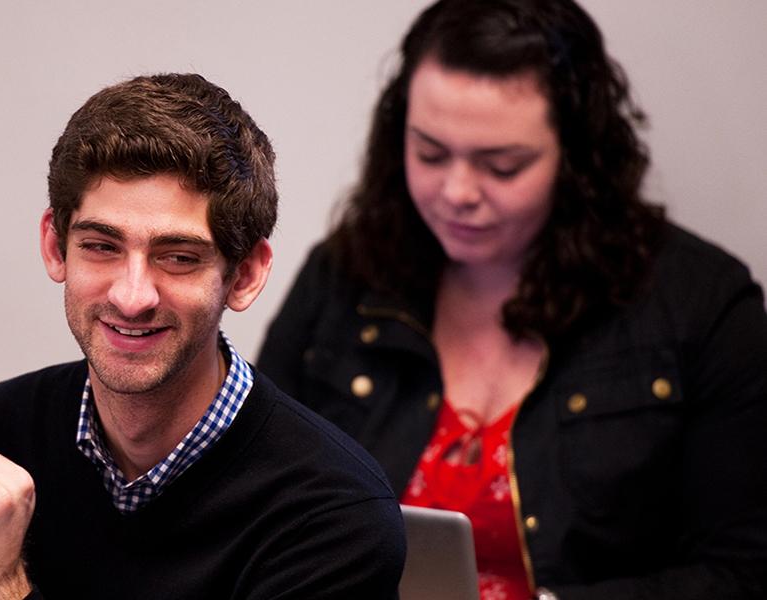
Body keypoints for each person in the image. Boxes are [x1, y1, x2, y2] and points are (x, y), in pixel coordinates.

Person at [257, 1, 767, 598]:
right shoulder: (346, 274)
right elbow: (257, 494)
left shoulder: (700, 304)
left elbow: (746, 570)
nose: (457, 192)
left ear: (576, 160)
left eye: (502, 166)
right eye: (429, 153)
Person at [0, 73, 405, 599]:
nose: (132, 296)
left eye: (179, 258)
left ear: (246, 275)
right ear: (55, 247)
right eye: (101, 246)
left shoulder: (334, 514)